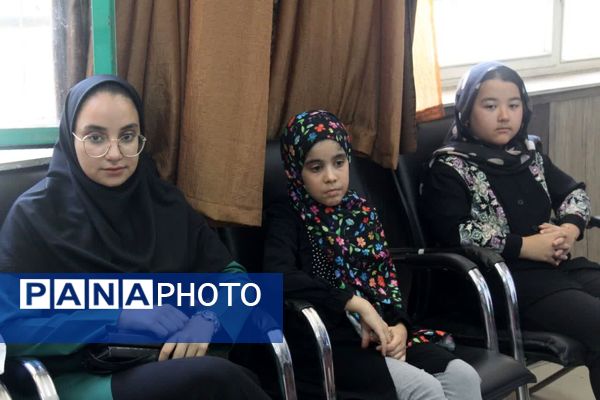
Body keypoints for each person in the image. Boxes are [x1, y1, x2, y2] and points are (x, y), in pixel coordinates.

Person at [0, 75, 271, 400]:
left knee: (227, 375)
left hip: (171, 360)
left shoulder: (164, 203)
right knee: (216, 380)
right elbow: (10, 326)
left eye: (127, 136)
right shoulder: (35, 216)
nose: (115, 153)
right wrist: (115, 316)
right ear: (71, 138)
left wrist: (206, 320)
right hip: (85, 374)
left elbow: (236, 281)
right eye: (96, 138)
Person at [263, 110, 482, 400]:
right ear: (295, 171)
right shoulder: (287, 216)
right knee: (424, 389)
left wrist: (401, 326)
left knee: (464, 376)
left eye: (339, 162)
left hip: (379, 331)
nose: (331, 177)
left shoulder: (361, 212)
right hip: (330, 343)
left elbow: (386, 281)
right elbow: (278, 277)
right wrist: (352, 301)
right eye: (316, 168)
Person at [420, 61, 600, 398]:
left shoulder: (529, 154)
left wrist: (568, 230)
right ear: (467, 112)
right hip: (507, 282)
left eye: (513, 105)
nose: (504, 116)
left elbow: (573, 194)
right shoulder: (448, 167)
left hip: (557, 268)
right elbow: (455, 231)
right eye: (490, 106)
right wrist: (526, 246)